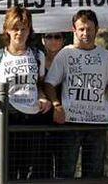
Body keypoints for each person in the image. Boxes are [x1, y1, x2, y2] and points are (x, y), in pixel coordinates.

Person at [45, 9, 108, 178]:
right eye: (82, 29)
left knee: (94, 174)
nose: (85, 33)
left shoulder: (105, 56)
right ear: (74, 30)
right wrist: (56, 105)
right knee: (65, 172)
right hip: (70, 122)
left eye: (89, 29)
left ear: (96, 29)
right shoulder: (65, 54)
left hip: (97, 124)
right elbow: (49, 83)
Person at [0, 6, 52, 180]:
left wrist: (43, 98)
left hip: (33, 121)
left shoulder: (38, 55)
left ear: (29, 30)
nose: (19, 33)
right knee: (6, 172)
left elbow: (39, 85)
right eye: (15, 28)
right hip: (6, 120)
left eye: (24, 28)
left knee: (32, 173)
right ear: (7, 31)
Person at [42, 32, 65, 178]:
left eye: (57, 37)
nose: (53, 40)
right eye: (49, 36)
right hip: (41, 119)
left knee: (62, 166)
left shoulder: (69, 61)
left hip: (64, 118)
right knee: (42, 164)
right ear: (43, 40)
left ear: (63, 40)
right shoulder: (37, 61)